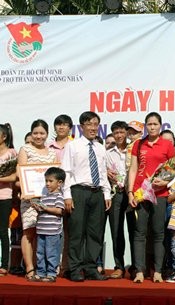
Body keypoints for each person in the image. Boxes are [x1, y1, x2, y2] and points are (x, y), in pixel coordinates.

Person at [61, 111, 111, 282]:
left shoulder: (100, 146)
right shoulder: (72, 146)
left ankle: (91, 268)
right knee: (76, 232)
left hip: (97, 193)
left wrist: (106, 193)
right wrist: (67, 196)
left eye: (96, 124)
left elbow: (103, 172)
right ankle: (74, 269)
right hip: (78, 192)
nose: (93, 128)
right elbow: (66, 172)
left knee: (95, 233)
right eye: (89, 124)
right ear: (81, 127)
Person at [128, 112, 175, 283]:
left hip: (159, 194)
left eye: (155, 124)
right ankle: (139, 271)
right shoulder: (138, 144)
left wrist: (163, 182)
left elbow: (173, 171)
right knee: (139, 233)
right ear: (145, 126)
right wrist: (130, 192)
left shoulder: (167, 145)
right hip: (140, 194)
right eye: (149, 124)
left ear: (160, 126)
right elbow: (133, 169)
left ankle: (158, 271)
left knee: (158, 233)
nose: (152, 127)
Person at [17, 119, 57, 281]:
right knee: (29, 232)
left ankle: (43, 269)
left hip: (47, 199)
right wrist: (28, 192)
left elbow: (55, 176)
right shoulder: (25, 149)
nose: (38, 136)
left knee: (44, 234)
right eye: (35, 133)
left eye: (42, 133)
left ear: (47, 134)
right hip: (29, 198)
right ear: (31, 134)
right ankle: (29, 268)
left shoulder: (51, 153)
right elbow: (21, 173)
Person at [47, 114, 73, 278]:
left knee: (69, 231)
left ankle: (67, 265)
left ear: (70, 127)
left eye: (64, 125)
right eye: (58, 124)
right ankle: (51, 266)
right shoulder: (48, 146)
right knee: (51, 231)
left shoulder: (75, 145)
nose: (61, 127)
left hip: (70, 192)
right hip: (50, 193)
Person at [105, 121, 132, 279]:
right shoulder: (108, 153)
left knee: (135, 232)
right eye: (116, 133)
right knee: (116, 231)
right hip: (116, 194)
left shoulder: (134, 150)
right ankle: (119, 266)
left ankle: (136, 266)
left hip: (133, 194)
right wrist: (107, 172)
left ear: (127, 133)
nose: (119, 135)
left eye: (122, 132)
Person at [30, 167, 66, 283]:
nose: (47, 184)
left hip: (52, 232)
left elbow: (59, 211)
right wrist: (37, 207)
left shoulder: (59, 196)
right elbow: (43, 211)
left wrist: (45, 208)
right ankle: (40, 272)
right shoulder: (44, 196)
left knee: (51, 253)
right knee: (40, 253)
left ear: (59, 183)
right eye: (46, 181)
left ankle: (51, 273)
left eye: (50, 181)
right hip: (41, 230)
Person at [0, 124, 17, 277]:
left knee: (3, 231)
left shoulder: (11, 153)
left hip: (4, 197)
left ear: (4, 137)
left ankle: (4, 265)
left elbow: (13, 177)